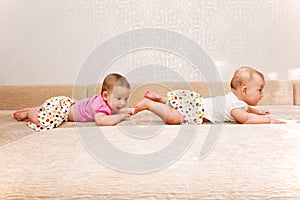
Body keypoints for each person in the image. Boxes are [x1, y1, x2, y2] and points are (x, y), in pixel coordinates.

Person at [134, 66, 284, 124]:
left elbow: (247, 110)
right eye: (259, 90)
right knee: (173, 118)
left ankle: (161, 98)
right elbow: (246, 119)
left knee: (178, 105)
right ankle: (150, 104)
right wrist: (268, 120)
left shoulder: (236, 102)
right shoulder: (235, 108)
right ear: (244, 91)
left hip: (197, 102)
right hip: (197, 110)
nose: (262, 95)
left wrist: (256, 110)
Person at [13, 73, 133, 131]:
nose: (122, 103)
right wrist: (121, 116)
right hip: (63, 110)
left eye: (125, 99)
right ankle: (30, 113)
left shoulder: (106, 102)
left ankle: (37, 109)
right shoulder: (100, 106)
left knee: (47, 110)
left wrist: (127, 111)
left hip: (64, 104)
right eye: (119, 99)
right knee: (43, 121)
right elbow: (102, 121)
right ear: (106, 96)